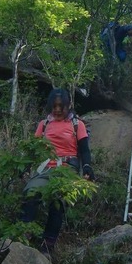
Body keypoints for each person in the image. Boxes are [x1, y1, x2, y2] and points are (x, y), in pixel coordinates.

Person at [20, 88, 94, 255]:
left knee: (58, 201)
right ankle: (23, 234)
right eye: (54, 106)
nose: (58, 110)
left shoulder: (77, 124)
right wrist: (24, 165)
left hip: (67, 169)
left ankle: (48, 244)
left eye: (61, 106)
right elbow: (34, 149)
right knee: (31, 193)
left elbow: (84, 150)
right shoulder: (44, 124)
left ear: (68, 105)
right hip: (46, 167)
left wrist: (87, 167)